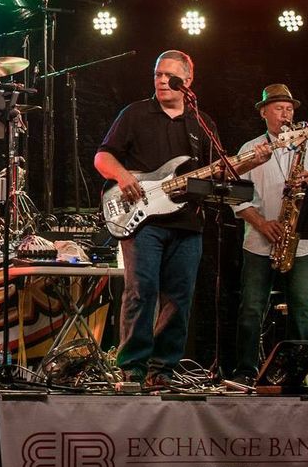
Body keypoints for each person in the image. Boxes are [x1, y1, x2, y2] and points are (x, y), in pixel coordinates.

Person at [94, 50, 270, 390]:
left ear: (187, 82)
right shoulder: (135, 113)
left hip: (188, 223)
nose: (161, 81)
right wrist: (123, 176)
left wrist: (252, 162)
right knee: (141, 291)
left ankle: (162, 370)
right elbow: (102, 157)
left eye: (169, 76)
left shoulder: (201, 122)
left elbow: (218, 172)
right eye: (157, 74)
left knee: (179, 297)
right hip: (143, 222)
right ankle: (132, 368)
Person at [231, 83, 308, 384]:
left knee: (301, 309)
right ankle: (246, 370)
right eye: (279, 108)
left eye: (289, 109)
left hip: (302, 242)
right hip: (260, 240)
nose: (286, 114)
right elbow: (237, 198)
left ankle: (296, 373)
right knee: (251, 308)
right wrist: (262, 224)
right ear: (264, 113)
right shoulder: (250, 149)